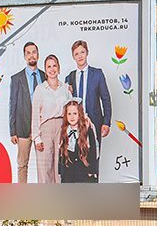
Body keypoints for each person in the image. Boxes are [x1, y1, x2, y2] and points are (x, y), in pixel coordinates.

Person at [66, 40, 112, 156]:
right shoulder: (69, 77)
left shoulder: (97, 74)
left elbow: (106, 99)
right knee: (76, 159)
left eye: (82, 52)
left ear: (87, 53)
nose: (80, 56)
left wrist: (106, 122)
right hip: (75, 124)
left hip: (94, 123)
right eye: (76, 54)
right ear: (73, 57)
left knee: (93, 158)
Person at [6, 42, 43, 183]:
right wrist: (12, 130)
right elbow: (12, 104)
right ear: (24, 56)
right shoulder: (16, 79)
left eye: (34, 52)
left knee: (43, 166)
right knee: (22, 165)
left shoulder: (45, 76)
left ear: (38, 55)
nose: (31, 55)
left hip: (41, 128)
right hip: (22, 128)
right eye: (28, 53)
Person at [28, 53, 68, 184]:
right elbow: (34, 114)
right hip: (45, 129)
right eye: (49, 66)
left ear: (59, 68)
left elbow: (73, 110)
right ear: (45, 71)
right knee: (45, 167)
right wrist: (37, 137)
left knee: (60, 166)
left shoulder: (66, 89)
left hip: (62, 129)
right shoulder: (40, 89)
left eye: (54, 65)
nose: (52, 69)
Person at [56, 100, 101, 184]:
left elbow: (93, 150)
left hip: (84, 172)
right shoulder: (64, 130)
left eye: (75, 113)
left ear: (80, 114)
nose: (72, 117)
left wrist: (92, 170)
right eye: (69, 114)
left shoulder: (87, 129)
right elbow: (61, 153)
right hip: (68, 172)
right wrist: (61, 171)